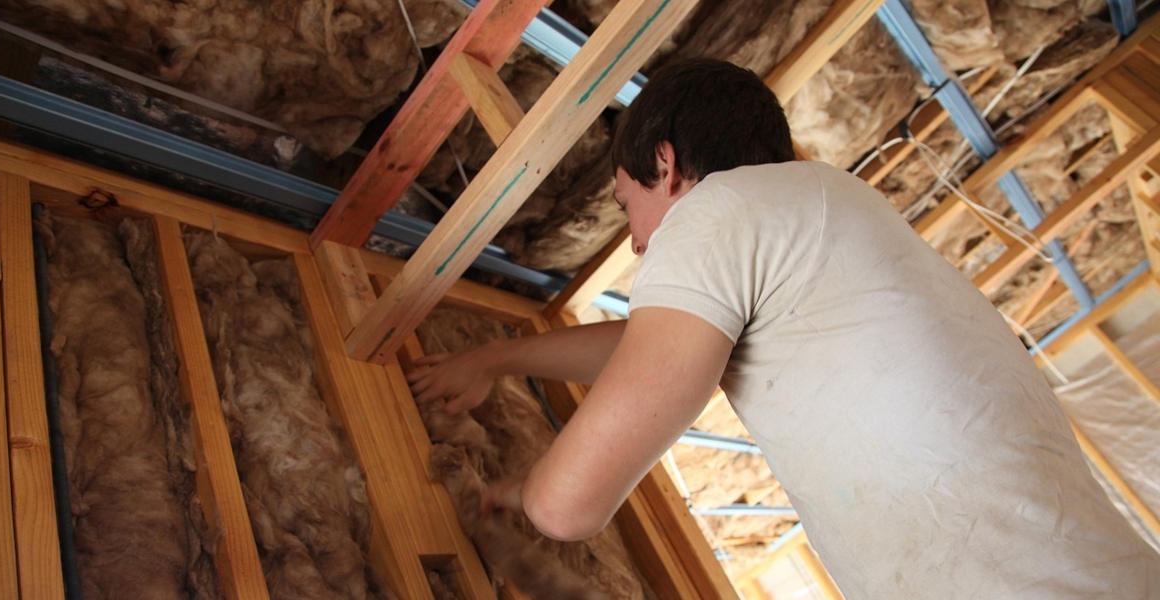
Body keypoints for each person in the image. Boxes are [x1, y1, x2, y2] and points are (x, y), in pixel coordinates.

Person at [407, 58, 1160, 598]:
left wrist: (525, 492)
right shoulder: (815, 216)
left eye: (626, 201)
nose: (636, 242)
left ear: (665, 164)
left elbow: (565, 508)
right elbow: (650, 350)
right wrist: (500, 358)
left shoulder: (718, 211)